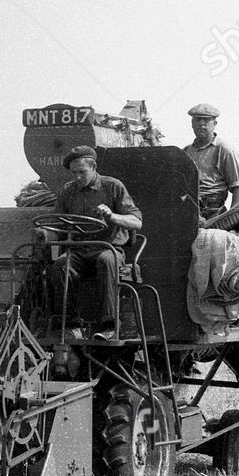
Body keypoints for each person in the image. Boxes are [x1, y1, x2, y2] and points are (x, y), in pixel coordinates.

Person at [49, 145, 143, 340]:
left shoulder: (113, 187)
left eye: (81, 172)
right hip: (78, 251)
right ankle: (71, 326)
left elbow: (137, 222)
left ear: (94, 168)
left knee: (106, 260)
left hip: (109, 248)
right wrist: (44, 233)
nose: (77, 177)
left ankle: (109, 326)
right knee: (60, 265)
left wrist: (112, 216)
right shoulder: (67, 192)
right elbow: (55, 224)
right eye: (73, 173)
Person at [183, 103, 239, 221]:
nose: (201, 124)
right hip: (187, 210)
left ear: (215, 124)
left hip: (213, 212)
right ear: (192, 123)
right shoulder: (186, 152)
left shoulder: (224, 150)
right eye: (197, 120)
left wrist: (232, 219)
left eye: (206, 120)